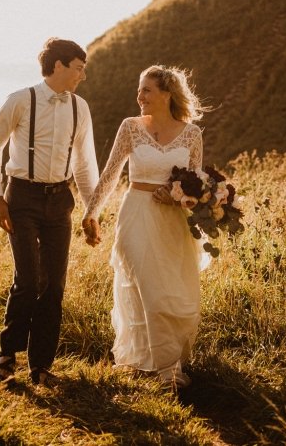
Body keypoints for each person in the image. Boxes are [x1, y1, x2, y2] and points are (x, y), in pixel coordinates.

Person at [0, 38, 100, 387]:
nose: (83, 75)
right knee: (29, 279)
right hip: (22, 197)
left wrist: (91, 212)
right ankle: (7, 354)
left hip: (59, 199)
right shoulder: (19, 100)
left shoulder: (80, 108)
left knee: (53, 285)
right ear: (59, 65)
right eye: (78, 67)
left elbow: (84, 163)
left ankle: (41, 366)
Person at [81, 64, 209, 388]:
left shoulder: (192, 134)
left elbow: (195, 184)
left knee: (172, 294)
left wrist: (181, 199)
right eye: (139, 90)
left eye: (146, 90)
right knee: (148, 288)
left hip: (172, 223)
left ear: (167, 94)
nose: (139, 96)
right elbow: (111, 173)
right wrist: (91, 212)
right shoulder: (131, 128)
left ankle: (161, 359)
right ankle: (168, 372)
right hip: (136, 214)